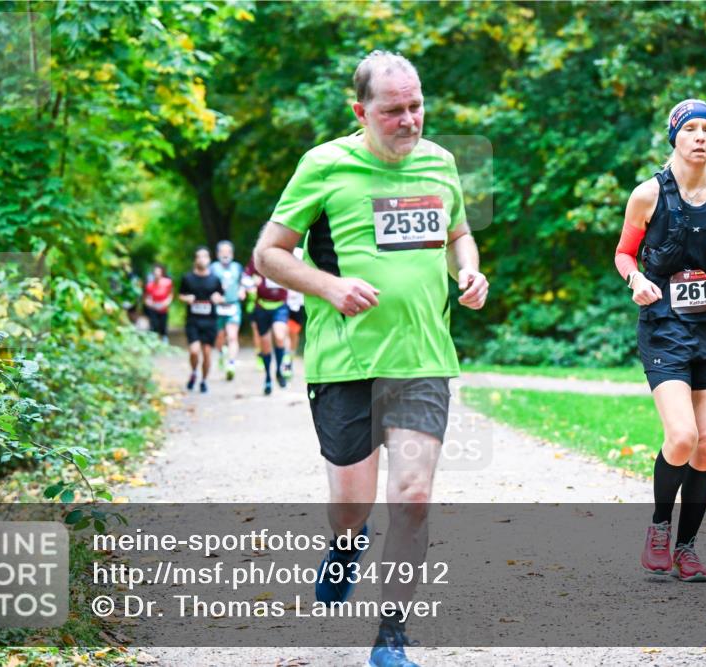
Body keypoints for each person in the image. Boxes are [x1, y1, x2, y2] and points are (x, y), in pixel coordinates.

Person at [254, 50, 488, 667]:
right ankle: (344, 543)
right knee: (352, 508)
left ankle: (391, 637)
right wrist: (329, 287)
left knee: (411, 495)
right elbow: (269, 254)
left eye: (416, 106)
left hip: (422, 356)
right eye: (393, 111)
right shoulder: (325, 165)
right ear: (360, 112)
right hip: (344, 361)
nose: (409, 120)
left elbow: (459, 232)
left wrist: (469, 270)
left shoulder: (440, 162)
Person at [614, 99, 706, 583]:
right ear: (674, 136)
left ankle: (687, 548)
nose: (701, 137)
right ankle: (659, 526)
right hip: (665, 325)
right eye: (691, 129)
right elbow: (623, 254)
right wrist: (636, 281)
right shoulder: (647, 194)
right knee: (682, 437)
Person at [178, 246, 224, 394]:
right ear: (195, 260)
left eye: (205, 257)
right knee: (194, 351)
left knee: (207, 353)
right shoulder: (187, 278)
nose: (202, 259)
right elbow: (180, 295)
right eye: (199, 257)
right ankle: (193, 372)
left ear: (209, 260)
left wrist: (218, 298)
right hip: (193, 321)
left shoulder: (215, 279)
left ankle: (204, 381)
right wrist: (187, 298)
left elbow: (221, 296)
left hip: (210, 321)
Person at [243, 255, 290, 395]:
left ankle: (279, 370)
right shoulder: (257, 256)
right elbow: (245, 277)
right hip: (262, 306)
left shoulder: (285, 253)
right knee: (265, 345)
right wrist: (251, 284)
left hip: (280, 306)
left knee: (279, 336)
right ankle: (268, 377)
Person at [210, 240, 246, 381]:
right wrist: (213, 295)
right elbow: (207, 285)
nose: (225, 254)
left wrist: (242, 290)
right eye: (222, 251)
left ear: (232, 253)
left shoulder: (237, 267)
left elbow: (243, 282)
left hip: (233, 305)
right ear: (218, 253)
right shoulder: (213, 268)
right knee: (219, 337)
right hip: (218, 307)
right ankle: (221, 353)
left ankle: (231, 364)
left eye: (228, 251)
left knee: (232, 336)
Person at [282, 247, 307, 380]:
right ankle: (286, 359)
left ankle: (289, 356)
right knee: (283, 332)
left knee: (293, 334)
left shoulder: (300, 253)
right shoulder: (279, 253)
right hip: (283, 304)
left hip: (298, 304)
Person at [143, 263, 173, 342]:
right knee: (154, 324)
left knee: (163, 324)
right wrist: (149, 303)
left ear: (162, 273)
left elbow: (170, 295)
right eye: (155, 272)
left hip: (164, 308)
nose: (157, 274)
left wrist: (167, 302)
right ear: (153, 273)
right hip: (153, 308)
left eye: (158, 272)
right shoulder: (149, 285)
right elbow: (146, 297)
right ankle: (154, 340)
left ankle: (164, 338)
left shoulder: (167, 282)